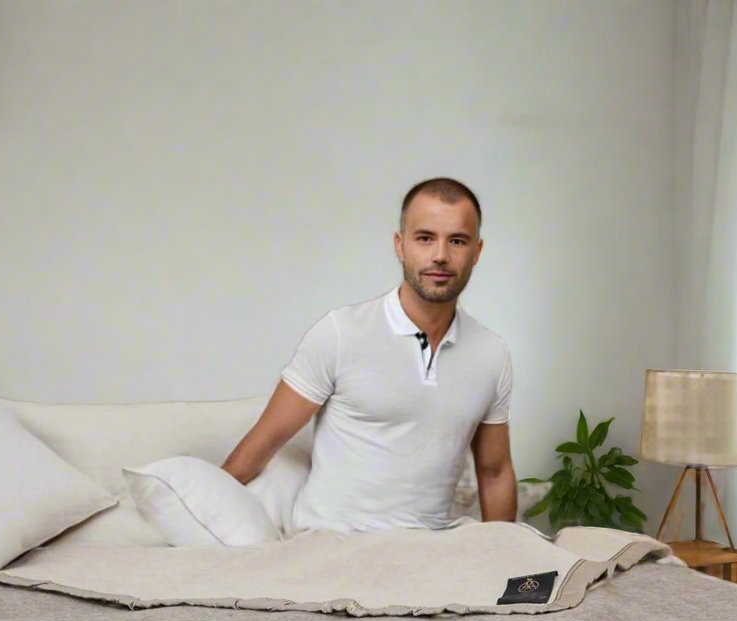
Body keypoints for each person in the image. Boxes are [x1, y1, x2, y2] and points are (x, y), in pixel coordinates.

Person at [221, 177, 516, 534]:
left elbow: (495, 472)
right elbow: (258, 448)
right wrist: (203, 519)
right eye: (425, 238)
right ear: (400, 246)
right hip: (332, 541)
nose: (440, 255)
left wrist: (506, 554)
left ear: (477, 251)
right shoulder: (341, 333)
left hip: (430, 546)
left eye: (457, 241)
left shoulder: (491, 354)